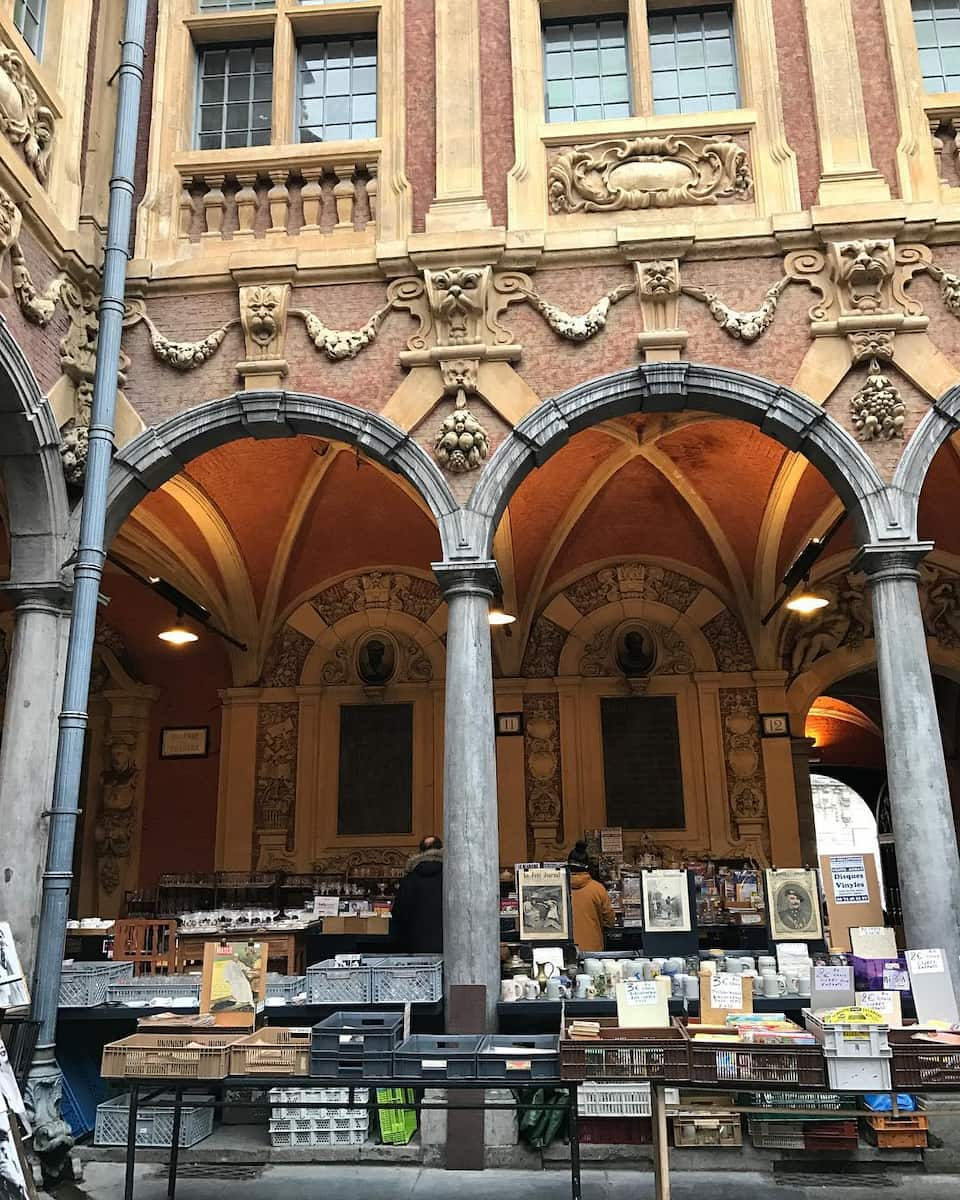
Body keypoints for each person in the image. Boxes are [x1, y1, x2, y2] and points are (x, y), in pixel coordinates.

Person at [390, 835, 444, 953]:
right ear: (441, 849)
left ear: (420, 851)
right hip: (448, 943)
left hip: (416, 943)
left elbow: (398, 912)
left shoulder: (410, 878)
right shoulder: (452, 877)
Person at [568, 841, 615, 952]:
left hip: (565, 949)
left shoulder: (559, 888)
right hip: (592, 949)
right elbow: (609, 921)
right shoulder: (597, 889)